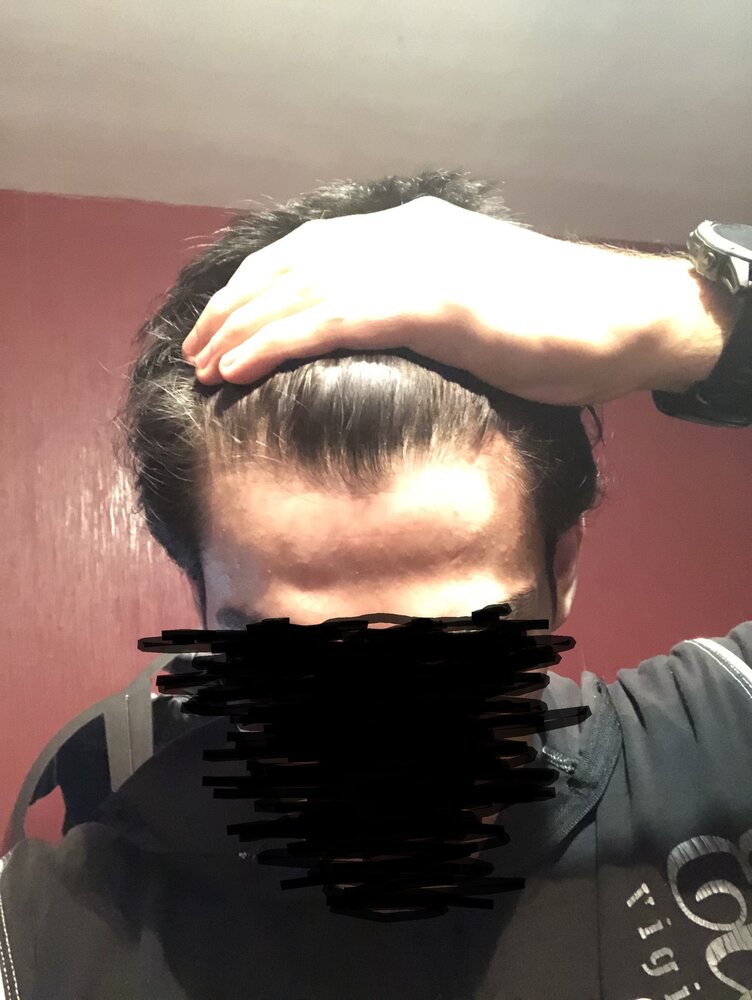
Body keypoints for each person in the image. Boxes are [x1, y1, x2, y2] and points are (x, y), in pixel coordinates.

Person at [1, 170, 750, 1000]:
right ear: (205, 612)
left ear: (561, 572)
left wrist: (684, 314)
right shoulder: (43, 937)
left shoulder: (722, 746)